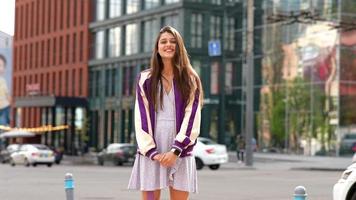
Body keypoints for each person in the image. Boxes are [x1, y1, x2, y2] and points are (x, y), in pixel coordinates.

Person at [128, 26, 203, 200]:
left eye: (173, 41)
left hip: (181, 149)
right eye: (163, 42)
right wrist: (151, 151)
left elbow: (192, 116)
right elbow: (141, 117)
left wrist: (176, 150)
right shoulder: (145, 79)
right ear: (157, 48)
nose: (168, 45)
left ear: (179, 47)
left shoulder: (190, 79)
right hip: (152, 149)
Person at [0, 54, 10, 126]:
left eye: (1, 66)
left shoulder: (3, 81)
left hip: (4, 107)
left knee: (3, 125)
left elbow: (7, 94)